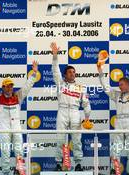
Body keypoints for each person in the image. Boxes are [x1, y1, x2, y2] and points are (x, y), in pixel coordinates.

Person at [0, 61, 38, 175]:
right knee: (5, 153)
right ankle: (6, 173)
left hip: (17, 128)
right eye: (7, 86)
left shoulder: (18, 96)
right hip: (4, 129)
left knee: (19, 152)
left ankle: (19, 171)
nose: (10, 88)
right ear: (3, 87)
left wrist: (34, 73)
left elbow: (27, 86)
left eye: (11, 86)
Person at [50, 42, 92, 171]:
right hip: (62, 111)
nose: (72, 74)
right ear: (65, 75)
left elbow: (86, 103)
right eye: (70, 72)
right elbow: (55, 70)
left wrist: (87, 117)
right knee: (60, 139)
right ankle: (58, 164)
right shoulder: (60, 84)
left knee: (77, 139)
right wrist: (55, 55)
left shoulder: (80, 87)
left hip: (75, 112)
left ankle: (78, 164)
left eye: (74, 72)